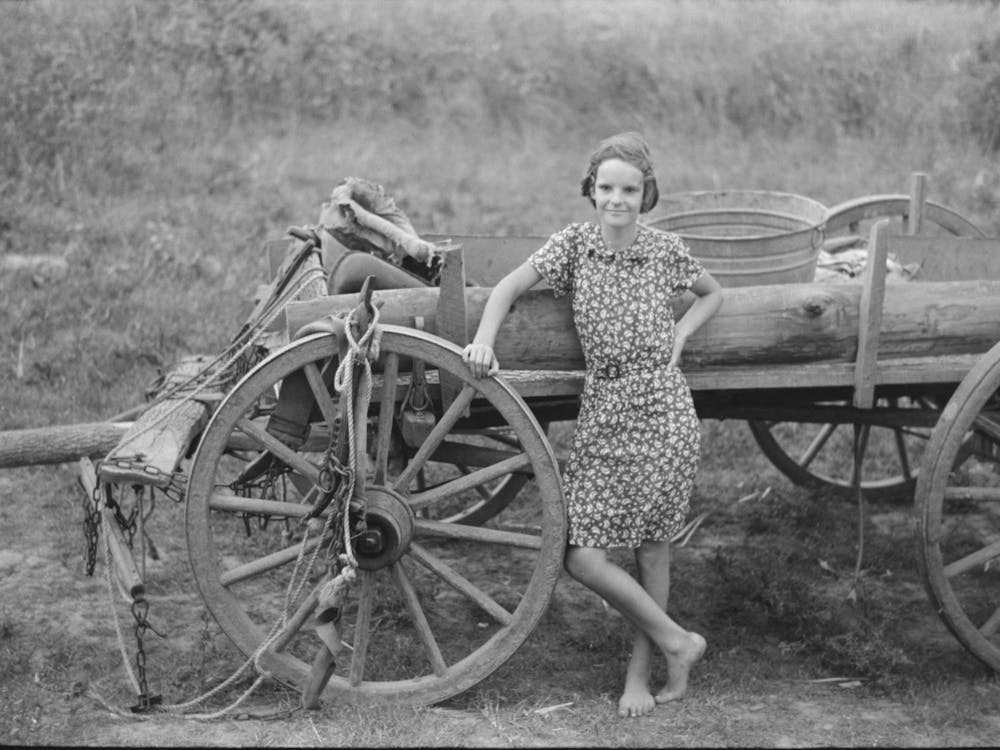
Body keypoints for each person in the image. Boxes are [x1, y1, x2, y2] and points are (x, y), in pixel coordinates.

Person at [462, 132, 724, 718]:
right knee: (583, 557)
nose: (617, 200)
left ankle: (644, 672)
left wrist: (683, 331)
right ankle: (679, 640)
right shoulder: (574, 247)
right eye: (606, 188)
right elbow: (507, 286)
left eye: (629, 189)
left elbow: (712, 293)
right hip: (605, 408)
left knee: (653, 547)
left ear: (645, 193)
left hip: (662, 406)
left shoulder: (664, 250)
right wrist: (482, 341)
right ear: (591, 190)